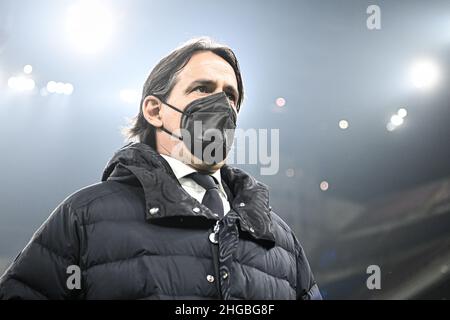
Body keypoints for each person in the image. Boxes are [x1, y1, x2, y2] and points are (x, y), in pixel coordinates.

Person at [0, 37, 321, 300]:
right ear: (155, 111)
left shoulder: (280, 239)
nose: (222, 105)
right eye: (203, 89)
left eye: (230, 95)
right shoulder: (84, 216)